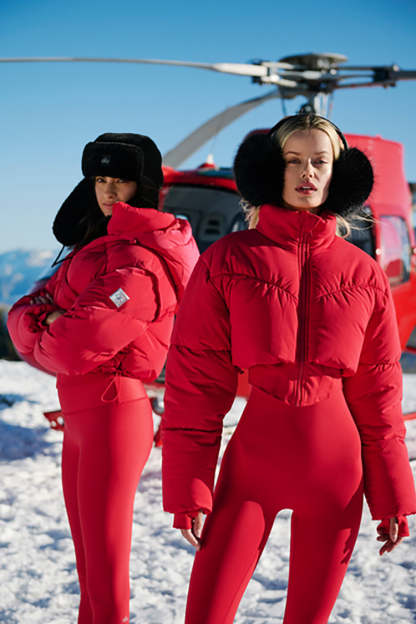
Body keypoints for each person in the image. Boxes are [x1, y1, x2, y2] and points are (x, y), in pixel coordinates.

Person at [161, 114, 416, 623]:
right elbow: (196, 383)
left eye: (320, 161)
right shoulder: (227, 261)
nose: (307, 173)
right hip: (252, 469)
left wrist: (392, 493)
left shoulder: (364, 273)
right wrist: (189, 485)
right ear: (270, 170)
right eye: (293, 160)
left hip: (337, 476)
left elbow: (379, 392)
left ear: (338, 173)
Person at [7, 132, 199, 624]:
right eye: (100, 179)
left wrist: (49, 321)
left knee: (106, 570)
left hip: (114, 415)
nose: (109, 190)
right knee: (89, 570)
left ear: (145, 186)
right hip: (83, 419)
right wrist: (48, 320)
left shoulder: (140, 260)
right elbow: (23, 311)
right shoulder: (94, 246)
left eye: (121, 181)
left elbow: (75, 344)